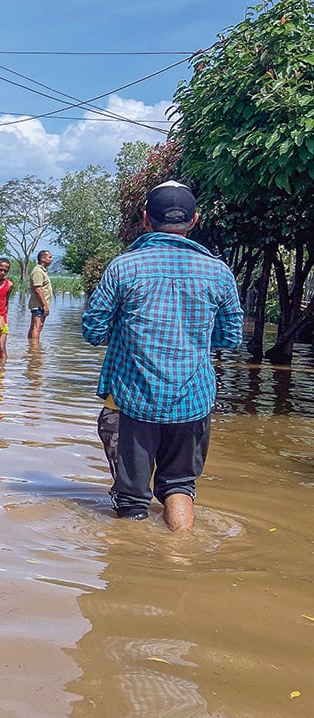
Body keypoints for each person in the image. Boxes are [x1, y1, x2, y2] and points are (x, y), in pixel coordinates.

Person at [81, 181, 243, 530]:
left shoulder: (124, 267)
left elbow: (93, 331)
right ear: (194, 220)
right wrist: (192, 337)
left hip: (131, 400)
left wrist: (128, 332)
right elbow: (230, 338)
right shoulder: (218, 271)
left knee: (132, 499)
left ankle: (139, 568)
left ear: (145, 219)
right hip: (192, 401)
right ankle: (180, 558)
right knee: (180, 487)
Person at [27, 250, 53, 340]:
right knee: (37, 327)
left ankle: (31, 347)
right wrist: (44, 305)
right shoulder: (38, 271)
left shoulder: (42, 271)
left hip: (40, 305)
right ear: (42, 258)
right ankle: (35, 350)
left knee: (36, 327)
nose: (51, 259)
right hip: (39, 305)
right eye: (49, 257)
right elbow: (37, 289)